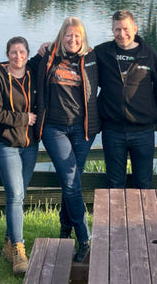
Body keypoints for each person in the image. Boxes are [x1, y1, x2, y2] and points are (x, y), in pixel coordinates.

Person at [35, 17, 100, 263]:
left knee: (69, 182)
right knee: (72, 183)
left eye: (77, 36)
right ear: (61, 36)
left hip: (83, 131)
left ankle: (65, 228)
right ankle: (84, 238)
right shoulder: (49, 57)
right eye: (69, 35)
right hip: (54, 129)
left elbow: (120, 60)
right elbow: (20, 68)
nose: (73, 40)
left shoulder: (93, 57)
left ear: (83, 38)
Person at [0, 36, 40, 275]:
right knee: (15, 194)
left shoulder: (33, 75)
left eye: (22, 52)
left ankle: (9, 242)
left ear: (28, 54)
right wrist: (23, 118)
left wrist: (50, 45)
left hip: (30, 144)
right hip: (5, 143)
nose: (18, 57)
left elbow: (51, 56)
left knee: (20, 194)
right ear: (7, 54)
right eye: (13, 52)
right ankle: (19, 250)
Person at [95, 10, 157, 189]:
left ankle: (143, 218)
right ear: (112, 31)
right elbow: (76, 55)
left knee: (143, 184)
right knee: (114, 184)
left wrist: (150, 116)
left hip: (143, 132)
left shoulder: (149, 55)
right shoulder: (101, 53)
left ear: (135, 28)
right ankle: (116, 218)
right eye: (117, 30)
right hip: (112, 131)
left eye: (126, 29)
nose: (122, 34)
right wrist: (50, 47)